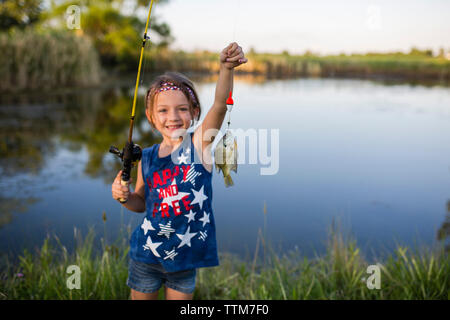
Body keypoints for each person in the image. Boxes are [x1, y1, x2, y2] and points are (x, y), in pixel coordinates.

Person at [111, 42, 247, 300]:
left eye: (182, 109)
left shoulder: (199, 145)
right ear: (151, 117)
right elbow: (140, 203)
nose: (172, 117)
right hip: (146, 255)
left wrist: (226, 68)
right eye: (162, 110)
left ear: (194, 112)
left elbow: (219, 105)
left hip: (185, 258)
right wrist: (124, 196)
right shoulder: (148, 157)